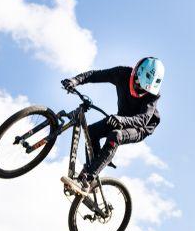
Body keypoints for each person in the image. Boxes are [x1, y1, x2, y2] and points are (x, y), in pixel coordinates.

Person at [59, 57, 164, 196]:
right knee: (90, 132)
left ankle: (87, 179)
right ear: (135, 73)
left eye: (144, 90)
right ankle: (92, 172)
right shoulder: (121, 74)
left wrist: (121, 120)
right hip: (121, 118)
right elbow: (94, 75)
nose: (139, 90)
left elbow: (142, 119)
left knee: (116, 135)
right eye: (138, 85)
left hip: (141, 127)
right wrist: (75, 80)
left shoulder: (153, 96)